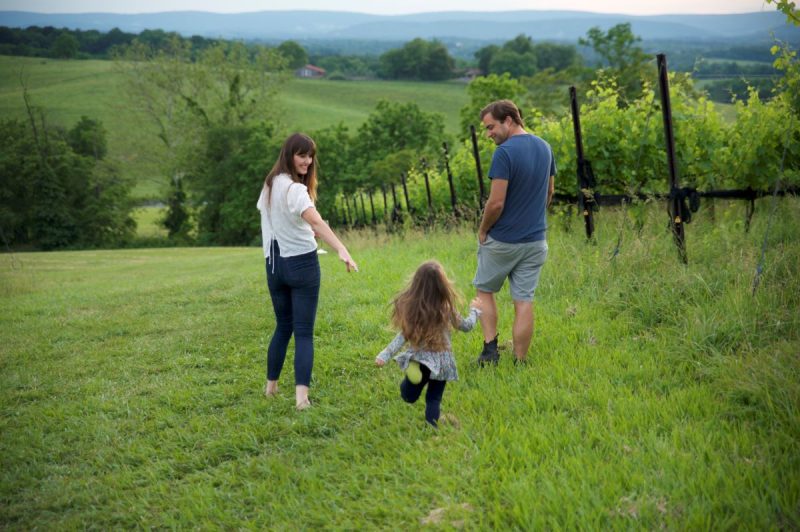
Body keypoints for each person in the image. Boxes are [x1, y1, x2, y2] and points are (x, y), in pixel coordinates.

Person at [257, 132, 358, 410]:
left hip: (274, 266)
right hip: (301, 265)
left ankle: (271, 388)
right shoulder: (295, 189)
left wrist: (304, 231)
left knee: (283, 326)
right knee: (303, 332)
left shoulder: (269, 185)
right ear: (289, 155)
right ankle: (301, 399)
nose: (308, 160)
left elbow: (276, 221)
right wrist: (341, 248)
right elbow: (316, 221)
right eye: (302, 155)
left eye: (310, 155)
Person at [473, 99, 556, 366]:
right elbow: (550, 192)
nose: (489, 134)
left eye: (491, 127)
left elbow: (496, 203)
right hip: (536, 242)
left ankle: (490, 352)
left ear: (509, 120)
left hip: (503, 241)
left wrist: (483, 229)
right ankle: (520, 361)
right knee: (524, 302)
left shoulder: (505, 152)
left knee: (484, 290)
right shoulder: (545, 147)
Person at [375, 260, 482, 427]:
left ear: (417, 284)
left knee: (408, 396)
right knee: (434, 399)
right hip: (443, 362)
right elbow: (466, 326)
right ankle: (432, 426)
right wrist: (475, 311)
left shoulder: (413, 309)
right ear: (442, 286)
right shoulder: (447, 309)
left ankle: (412, 371)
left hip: (421, 359)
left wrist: (385, 355)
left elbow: (403, 336)